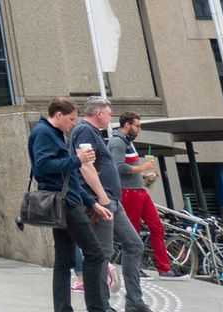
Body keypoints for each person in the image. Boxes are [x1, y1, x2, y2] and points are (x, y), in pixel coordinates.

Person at [28, 98, 111, 312]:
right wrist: (78, 159)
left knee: (64, 260)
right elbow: (42, 167)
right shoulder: (43, 133)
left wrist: (92, 202)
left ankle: (64, 309)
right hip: (64, 203)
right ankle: (96, 308)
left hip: (65, 200)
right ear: (58, 115)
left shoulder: (53, 133)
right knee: (95, 254)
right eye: (71, 119)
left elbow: (69, 178)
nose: (73, 124)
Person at [70, 96, 151, 312]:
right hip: (102, 201)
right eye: (108, 113)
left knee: (134, 244)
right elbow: (85, 166)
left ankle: (134, 302)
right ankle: (101, 306)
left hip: (113, 201)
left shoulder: (94, 133)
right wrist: (101, 198)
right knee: (101, 254)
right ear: (99, 114)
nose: (110, 117)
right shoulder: (85, 131)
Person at [113, 112, 182, 278]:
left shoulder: (128, 142)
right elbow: (117, 167)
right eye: (137, 125)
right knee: (133, 231)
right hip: (128, 192)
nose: (139, 129)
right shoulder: (117, 142)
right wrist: (142, 169)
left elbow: (128, 169)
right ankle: (135, 268)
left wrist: (144, 177)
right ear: (127, 124)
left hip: (138, 190)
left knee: (157, 227)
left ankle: (164, 268)